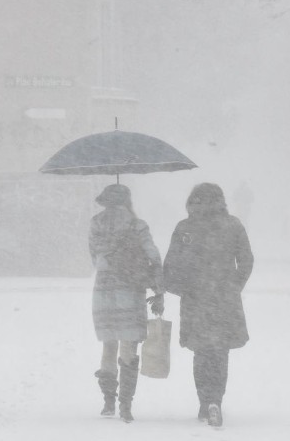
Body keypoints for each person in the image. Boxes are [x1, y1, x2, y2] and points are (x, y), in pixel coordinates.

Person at [163, 183, 253, 427]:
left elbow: (171, 265)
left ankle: (204, 402)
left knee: (201, 352)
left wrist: (181, 287)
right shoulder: (233, 226)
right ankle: (216, 401)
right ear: (221, 201)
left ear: (193, 201)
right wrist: (234, 285)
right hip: (224, 300)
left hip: (195, 300)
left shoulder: (185, 228)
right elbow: (246, 260)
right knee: (220, 351)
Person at [89, 183, 164, 423]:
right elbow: (153, 256)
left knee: (108, 344)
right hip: (130, 289)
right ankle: (126, 405)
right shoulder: (137, 225)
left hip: (104, 289)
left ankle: (108, 401)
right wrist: (158, 288)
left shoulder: (96, 223)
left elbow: (94, 256)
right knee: (129, 345)